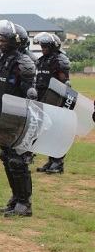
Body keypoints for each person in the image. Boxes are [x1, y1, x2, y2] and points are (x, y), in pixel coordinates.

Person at [0, 21, 37, 217]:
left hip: (17, 117)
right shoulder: (2, 60)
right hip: (2, 115)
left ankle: (25, 203)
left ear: (16, 42)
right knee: (6, 156)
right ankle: (16, 198)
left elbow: (29, 94)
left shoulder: (23, 62)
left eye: (4, 40)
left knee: (17, 159)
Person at [33, 33, 71, 175]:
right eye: (42, 46)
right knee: (47, 130)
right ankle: (51, 160)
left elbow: (64, 83)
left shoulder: (60, 60)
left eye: (45, 46)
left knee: (57, 131)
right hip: (43, 97)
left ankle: (58, 162)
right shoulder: (43, 60)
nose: (42, 48)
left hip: (55, 99)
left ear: (53, 46)